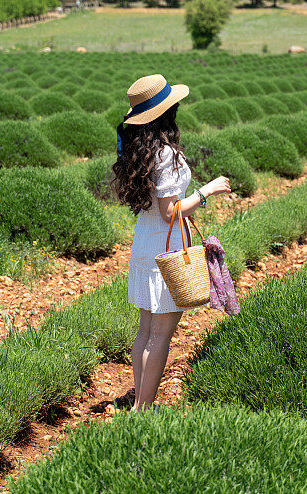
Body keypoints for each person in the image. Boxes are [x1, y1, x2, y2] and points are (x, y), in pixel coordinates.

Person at [111, 74, 231, 411]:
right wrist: (206, 191)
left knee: (146, 330)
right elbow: (171, 212)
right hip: (167, 247)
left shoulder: (138, 148)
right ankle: (143, 408)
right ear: (167, 112)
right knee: (161, 334)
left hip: (144, 243)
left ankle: (140, 400)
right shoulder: (165, 153)